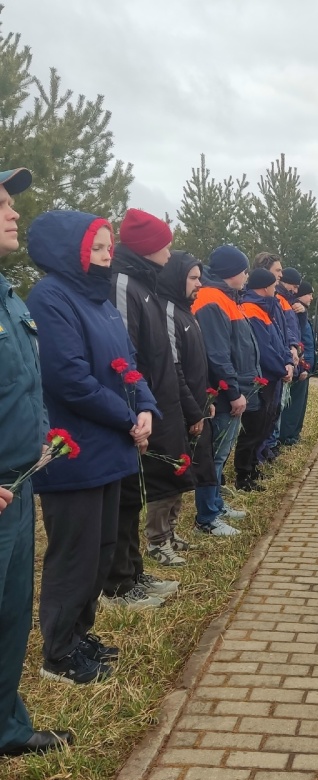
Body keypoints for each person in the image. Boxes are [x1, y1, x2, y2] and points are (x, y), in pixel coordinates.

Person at [27, 210, 159, 681]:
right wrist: (127, 418)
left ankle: (79, 635)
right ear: (71, 252)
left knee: (101, 551)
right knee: (75, 556)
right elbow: (68, 378)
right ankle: (58, 654)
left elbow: (129, 363)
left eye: (108, 247)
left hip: (111, 449)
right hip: (76, 453)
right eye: (97, 248)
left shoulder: (100, 301)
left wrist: (146, 407)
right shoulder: (50, 298)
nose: (107, 256)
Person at [0, 167, 72, 757]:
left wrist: (41, 434)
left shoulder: (8, 297)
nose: (14, 213)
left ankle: (7, 727)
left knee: (10, 618)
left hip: (18, 487)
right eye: (1, 204)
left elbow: (28, 382)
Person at [104, 209, 185, 607]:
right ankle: (118, 584)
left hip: (150, 408)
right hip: (132, 415)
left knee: (134, 497)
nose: (169, 254)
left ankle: (133, 573)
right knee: (123, 500)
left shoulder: (144, 285)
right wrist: (134, 411)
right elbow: (123, 356)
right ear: (148, 247)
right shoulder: (123, 284)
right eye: (164, 245)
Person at [155, 251, 217, 563]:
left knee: (182, 472)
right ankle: (157, 540)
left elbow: (197, 364)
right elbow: (174, 368)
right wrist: (193, 411)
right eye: (193, 278)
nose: (199, 284)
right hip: (175, 410)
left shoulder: (185, 311)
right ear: (176, 279)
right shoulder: (167, 312)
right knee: (168, 474)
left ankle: (171, 531)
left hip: (193, 406)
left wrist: (205, 402)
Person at [192, 245, 258, 532]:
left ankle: (216, 505)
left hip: (231, 389)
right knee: (214, 456)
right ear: (232, 272)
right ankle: (207, 517)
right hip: (222, 393)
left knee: (220, 454)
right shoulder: (211, 300)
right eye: (244, 270)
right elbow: (217, 354)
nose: (246, 276)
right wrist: (233, 392)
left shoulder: (225, 297)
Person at [238, 268, 293, 490]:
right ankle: (244, 475)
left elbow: (278, 341)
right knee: (254, 427)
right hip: (263, 378)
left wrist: (288, 362)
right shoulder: (252, 309)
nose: (275, 289)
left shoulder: (265, 308)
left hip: (272, 375)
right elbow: (264, 348)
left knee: (265, 424)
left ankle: (253, 468)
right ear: (265, 287)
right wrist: (282, 368)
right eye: (273, 285)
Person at [280, 280, 316, 445]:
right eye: (309, 294)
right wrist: (303, 366)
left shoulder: (303, 313)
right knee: (292, 405)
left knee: (299, 404)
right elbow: (300, 340)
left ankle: (294, 434)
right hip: (299, 366)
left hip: (305, 367)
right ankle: (287, 436)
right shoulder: (294, 311)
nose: (311, 298)